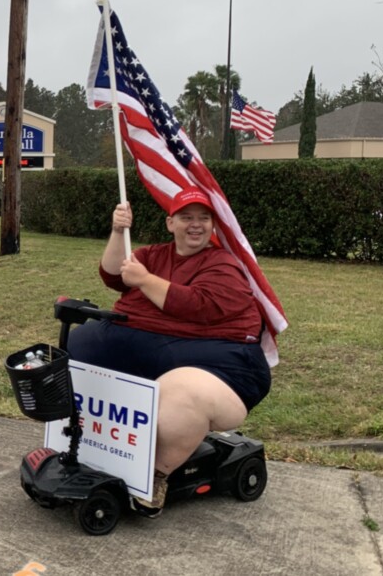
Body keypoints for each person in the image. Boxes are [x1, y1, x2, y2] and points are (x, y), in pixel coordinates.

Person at [66, 186, 271, 517]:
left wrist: (145, 281)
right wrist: (119, 231)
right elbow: (113, 273)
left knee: (181, 395)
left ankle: (155, 475)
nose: (195, 225)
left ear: (213, 226)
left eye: (204, 218)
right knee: (80, 343)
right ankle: (98, 451)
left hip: (220, 362)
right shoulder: (152, 255)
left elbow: (198, 305)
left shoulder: (223, 265)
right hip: (153, 350)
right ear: (169, 223)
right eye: (186, 217)